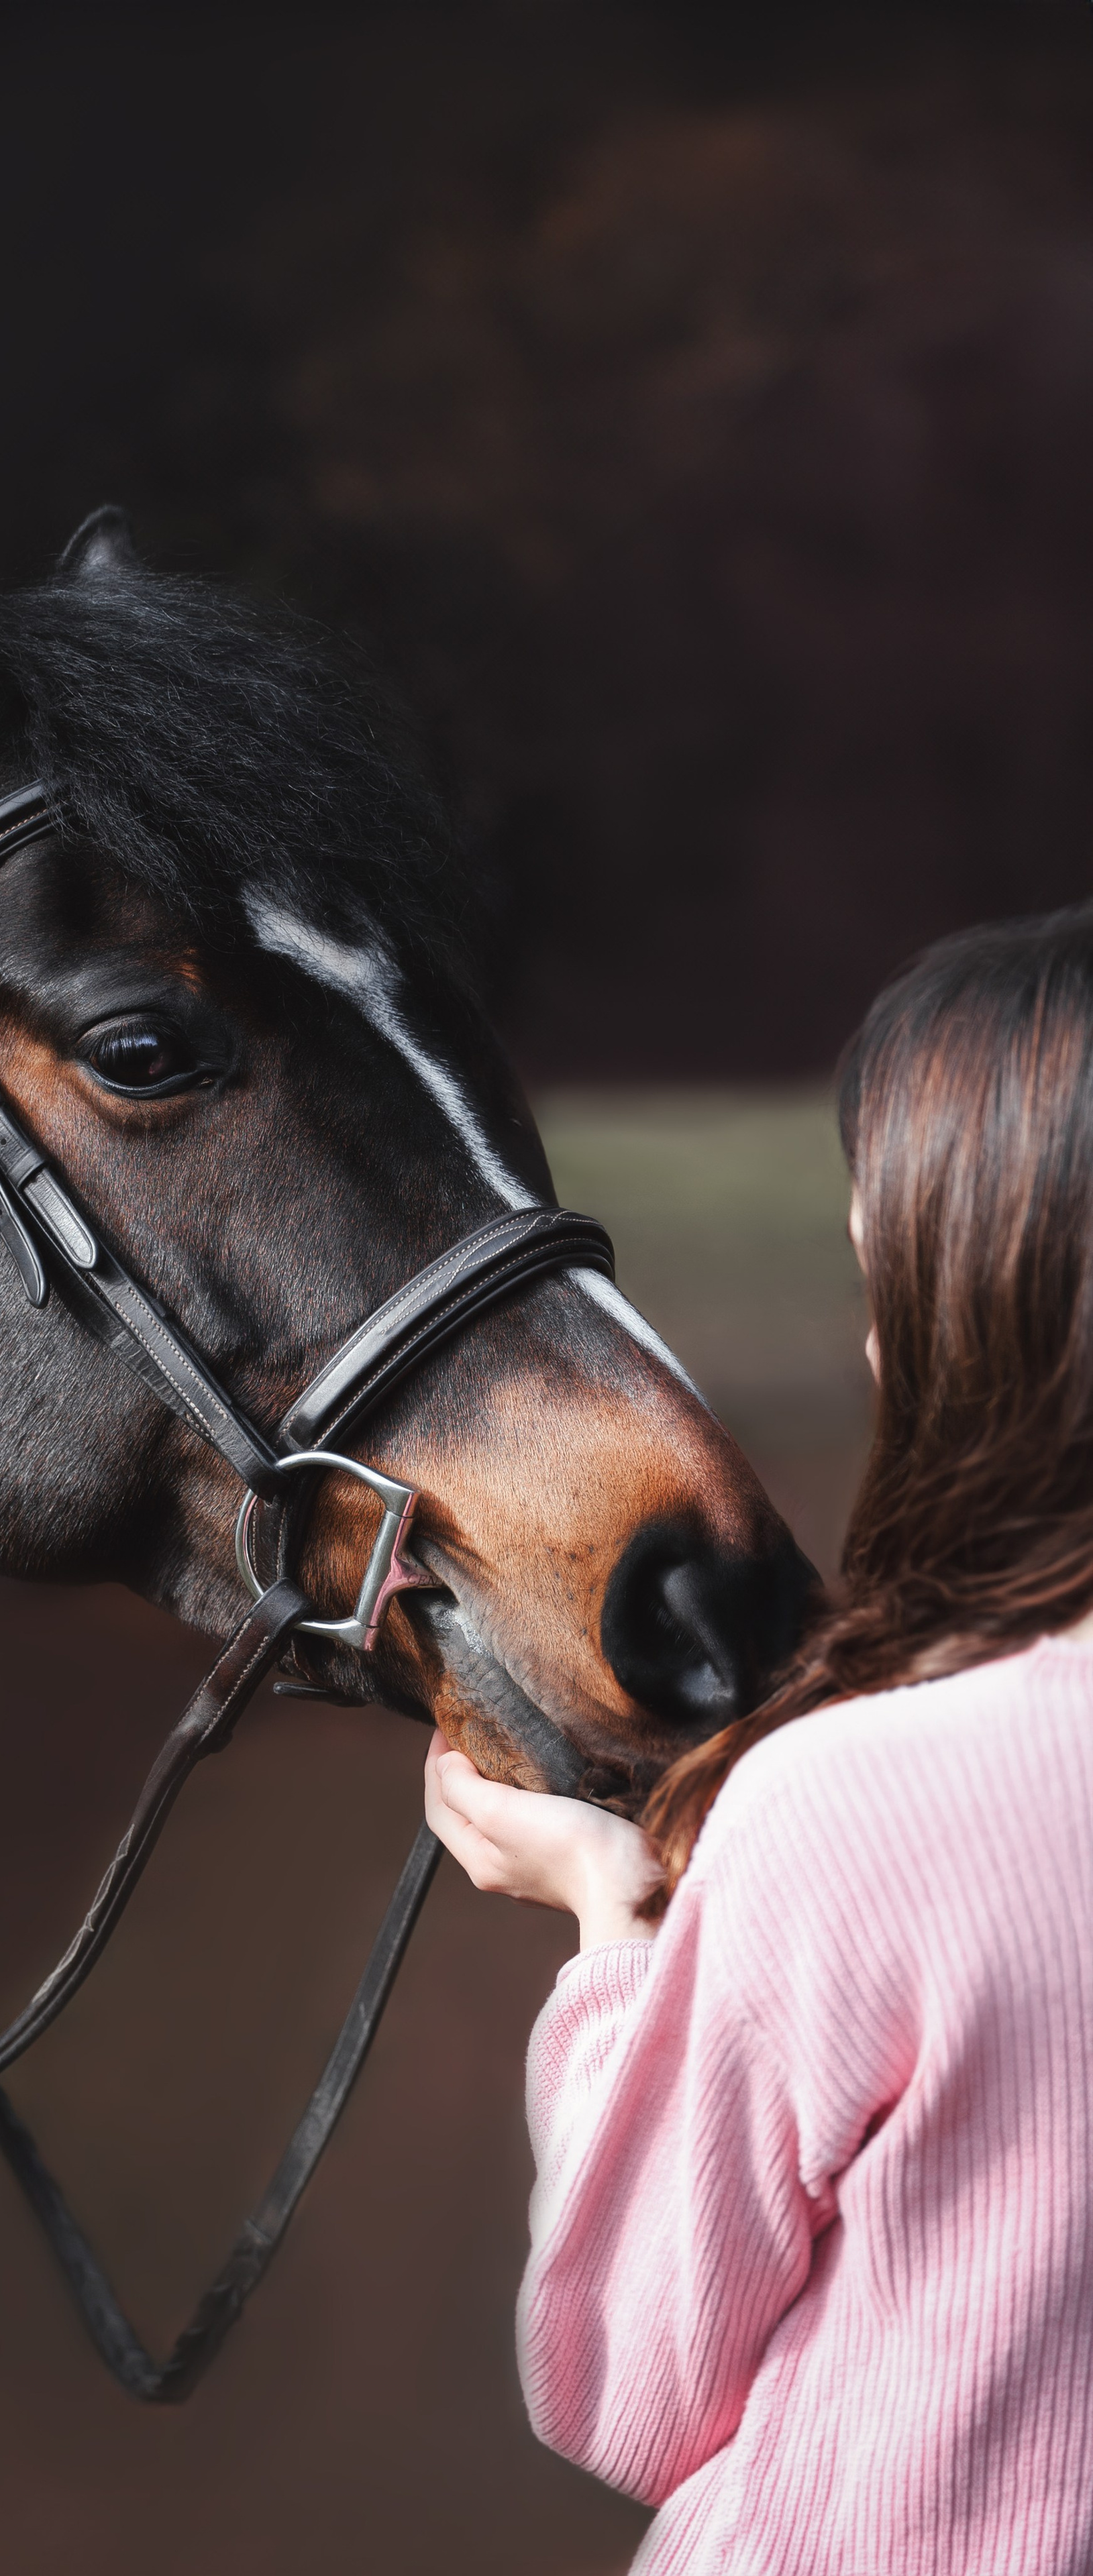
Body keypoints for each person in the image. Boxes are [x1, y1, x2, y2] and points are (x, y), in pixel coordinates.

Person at [424, 908, 1093, 2575]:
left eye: (888, 1286)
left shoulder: (856, 1808)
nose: (876, 1351)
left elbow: (628, 2389)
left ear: (987, 1320)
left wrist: (614, 1923)